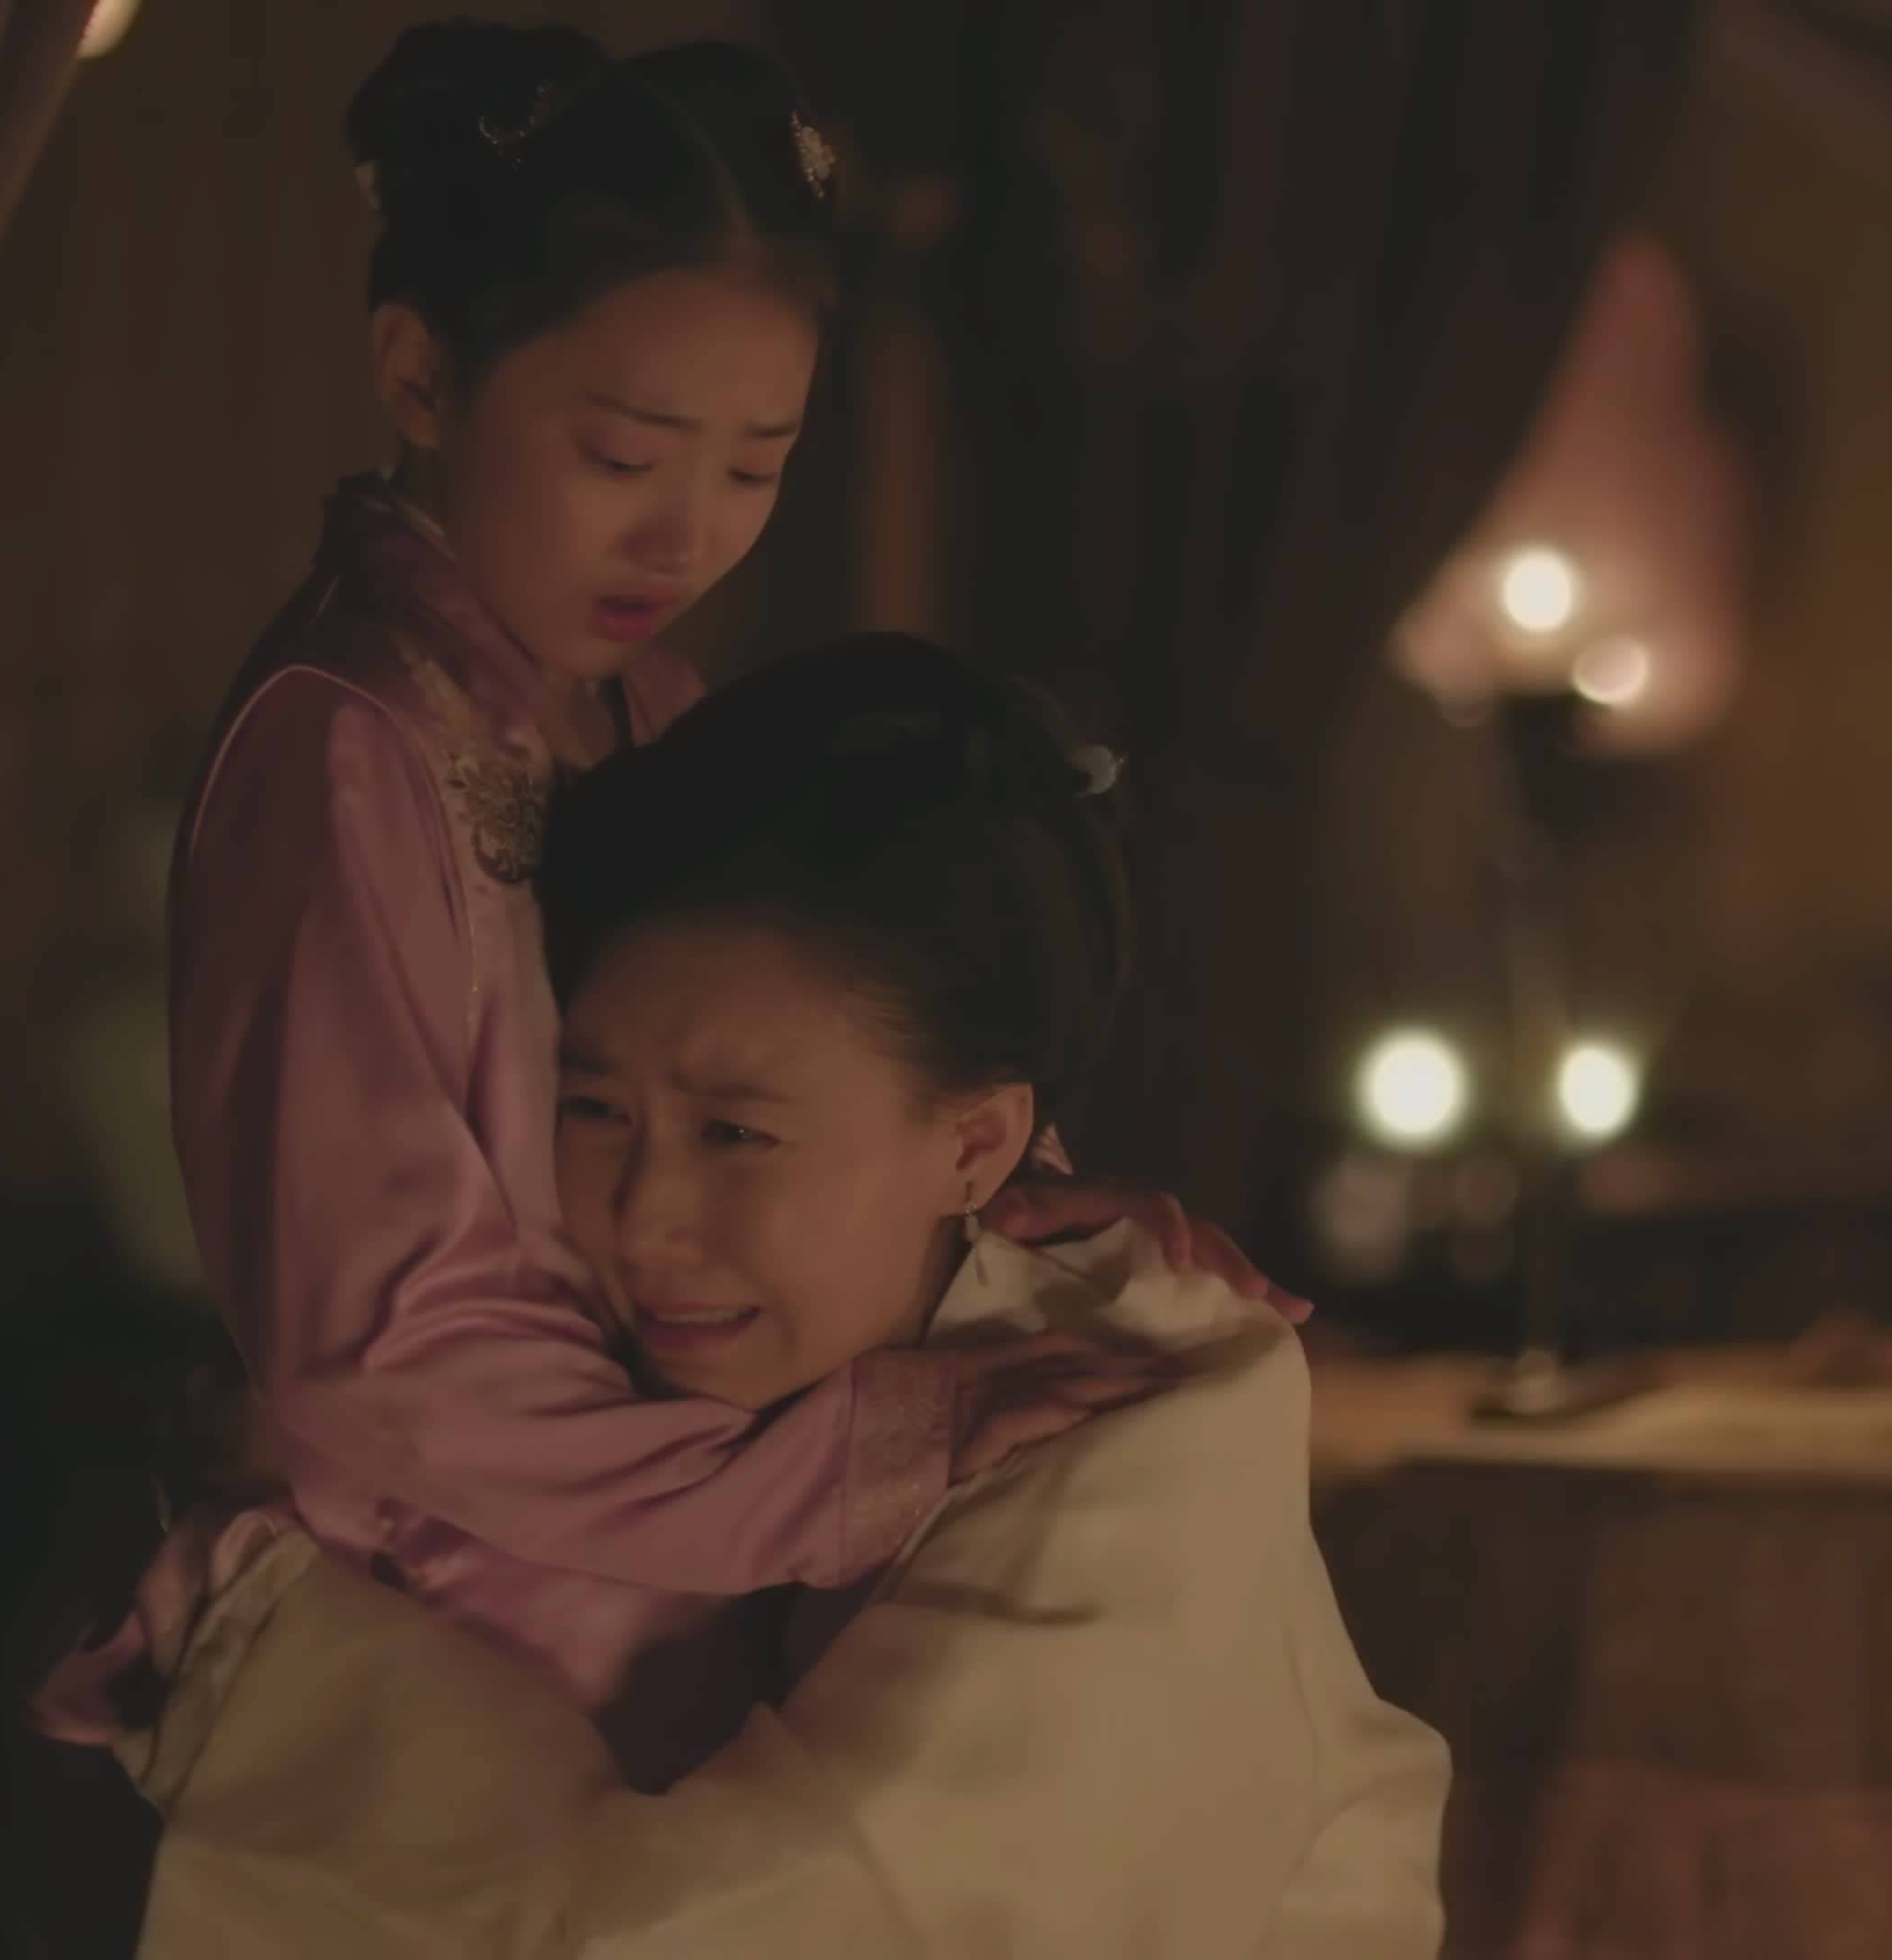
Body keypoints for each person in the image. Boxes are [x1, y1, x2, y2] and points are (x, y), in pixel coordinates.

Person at [138, 20, 1291, 1787]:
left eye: (753, 468)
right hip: (463, 1607)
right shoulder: (346, 745)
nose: (685, 535)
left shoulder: (649, 705)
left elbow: (806, 1042)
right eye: (625, 456)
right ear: (423, 374)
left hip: (682, 1555)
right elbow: (382, 1350)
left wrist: (1000, 1205)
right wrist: (844, 1465)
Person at [75, 639, 1449, 1956]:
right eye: (594, 1108)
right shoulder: (641, 1373)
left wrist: (269, 1636)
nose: (645, 1217)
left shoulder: (1132, 1448)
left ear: (977, 1144)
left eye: (736, 1133)